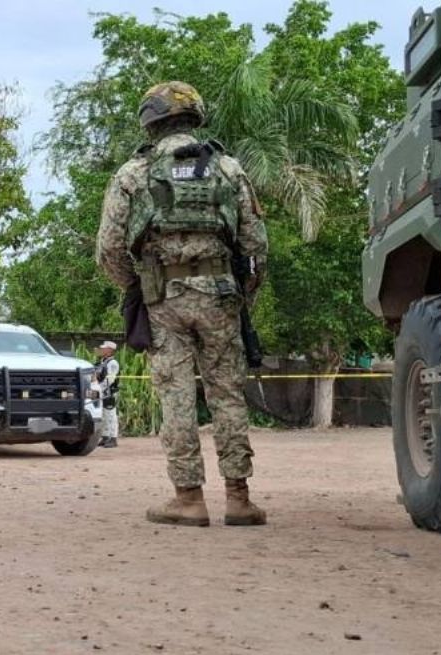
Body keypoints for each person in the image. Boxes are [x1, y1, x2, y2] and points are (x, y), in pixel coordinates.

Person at [94, 81, 268, 528]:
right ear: (195, 117)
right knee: (228, 395)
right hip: (222, 294)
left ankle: (189, 498)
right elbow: (255, 245)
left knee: (175, 396)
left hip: (164, 298)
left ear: (151, 121)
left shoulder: (133, 173)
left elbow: (109, 249)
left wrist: (138, 286)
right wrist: (241, 294)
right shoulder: (229, 169)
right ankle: (238, 497)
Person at [95, 341, 121, 448]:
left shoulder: (113, 363)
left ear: (110, 350)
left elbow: (110, 380)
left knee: (111, 415)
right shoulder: (103, 361)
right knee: (104, 415)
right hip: (103, 391)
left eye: (104, 348)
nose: (102, 350)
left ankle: (113, 438)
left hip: (110, 392)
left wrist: (98, 388)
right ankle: (105, 436)